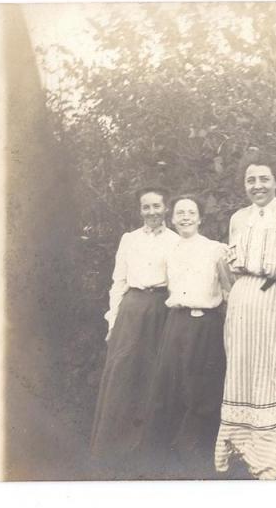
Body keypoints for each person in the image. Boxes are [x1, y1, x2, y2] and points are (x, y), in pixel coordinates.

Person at [214, 150, 276, 480]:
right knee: (244, 372)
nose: (258, 186)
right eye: (251, 180)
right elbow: (230, 269)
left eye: (264, 179)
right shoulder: (237, 219)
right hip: (244, 306)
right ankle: (242, 451)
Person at [90, 187, 179, 478]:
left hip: (161, 309)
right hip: (132, 309)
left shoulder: (177, 241)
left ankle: (149, 451)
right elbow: (118, 282)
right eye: (146, 207)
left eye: (157, 206)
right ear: (139, 210)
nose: (152, 212)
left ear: (166, 208)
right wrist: (112, 322)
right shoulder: (129, 240)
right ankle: (114, 449)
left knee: (155, 375)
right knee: (124, 372)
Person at [140, 195, 231, 478]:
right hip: (176, 323)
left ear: (201, 218)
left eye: (191, 212)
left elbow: (229, 289)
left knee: (202, 387)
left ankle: (201, 452)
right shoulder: (169, 249)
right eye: (180, 213)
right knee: (170, 384)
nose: (186, 217)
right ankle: (167, 451)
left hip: (206, 325)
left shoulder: (216, 249)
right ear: (173, 217)